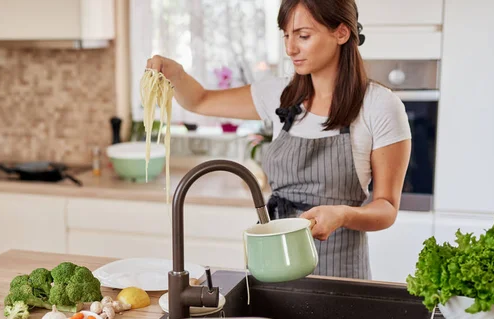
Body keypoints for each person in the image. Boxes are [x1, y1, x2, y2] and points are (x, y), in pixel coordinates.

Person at [145, 0, 411, 279]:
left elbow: (387, 208)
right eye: (286, 35)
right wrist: (175, 74)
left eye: (303, 36)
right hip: (273, 269)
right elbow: (200, 100)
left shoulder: (379, 106)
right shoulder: (279, 95)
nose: (290, 48)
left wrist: (343, 215)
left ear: (341, 33)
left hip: (340, 276)